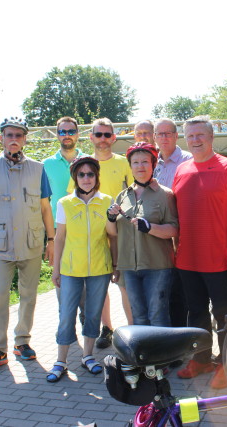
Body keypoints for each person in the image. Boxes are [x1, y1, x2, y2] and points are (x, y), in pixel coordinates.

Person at [172, 116, 227, 389]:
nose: (195, 140)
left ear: (211, 137)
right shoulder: (181, 170)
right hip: (187, 259)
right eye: (190, 136)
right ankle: (201, 360)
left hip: (219, 259)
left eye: (200, 135)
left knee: (223, 315)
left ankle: (226, 366)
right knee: (195, 314)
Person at [0, 116, 55, 374]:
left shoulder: (38, 169)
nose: (14, 140)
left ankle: (23, 342)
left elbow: (45, 208)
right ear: (2, 138)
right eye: (9, 135)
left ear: (25, 139)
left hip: (30, 244)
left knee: (29, 296)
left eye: (19, 135)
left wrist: (51, 240)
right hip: (0, 246)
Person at [47, 156, 117, 382]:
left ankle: (88, 356)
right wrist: (56, 269)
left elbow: (112, 235)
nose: (86, 178)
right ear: (75, 178)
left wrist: (115, 264)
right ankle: (61, 361)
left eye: (90, 174)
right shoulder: (64, 203)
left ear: (97, 176)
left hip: (100, 268)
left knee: (93, 314)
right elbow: (59, 238)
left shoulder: (107, 201)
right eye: (81, 174)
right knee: (66, 315)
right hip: (70, 269)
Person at [106, 142, 178, 326]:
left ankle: (162, 355)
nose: (140, 166)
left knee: (157, 315)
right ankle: (143, 355)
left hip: (157, 266)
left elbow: (174, 229)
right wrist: (111, 218)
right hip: (129, 268)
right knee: (138, 317)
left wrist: (151, 227)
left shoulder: (165, 195)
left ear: (153, 164)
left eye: (145, 162)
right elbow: (113, 233)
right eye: (135, 162)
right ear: (130, 166)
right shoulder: (123, 196)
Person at [88, 117, 134, 348]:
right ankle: (107, 328)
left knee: (124, 283)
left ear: (114, 138)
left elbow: (134, 193)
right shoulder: (84, 165)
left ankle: (133, 331)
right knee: (99, 286)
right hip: (93, 235)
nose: (103, 139)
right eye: (99, 134)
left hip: (121, 232)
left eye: (107, 135)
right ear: (91, 137)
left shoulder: (124, 162)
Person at [153, 118, 192, 365]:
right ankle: (168, 344)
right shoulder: (152, 163)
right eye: (160, 133)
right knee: (163, 293)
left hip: (183, 235)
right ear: (155, 137)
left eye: (169, 133)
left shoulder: (187, 160)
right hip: (159, 236)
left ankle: (181, 347)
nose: (164, 137)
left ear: (176, 135)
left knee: (181, 295)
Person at [43, 116, 88, 322]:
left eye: (71, 131)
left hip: (87, 233)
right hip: (59, 234)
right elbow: (42, 203)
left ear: (78, 134)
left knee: (89, 291)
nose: (67, 135)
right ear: (57, 134)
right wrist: (50, 239)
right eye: (62, 131)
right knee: (63, 287)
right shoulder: (46, 165)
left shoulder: (89, 162)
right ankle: (67, 337)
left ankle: (90, 336)